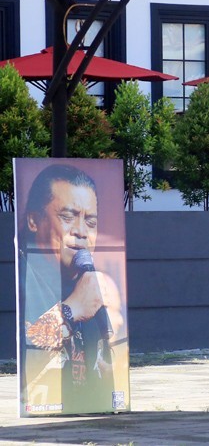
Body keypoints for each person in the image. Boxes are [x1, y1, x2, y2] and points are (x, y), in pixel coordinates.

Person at [18, 163, 123, 414]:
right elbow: (25, 360)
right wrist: (70, 310)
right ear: (33, 220)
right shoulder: (22, 278)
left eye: (90, 221)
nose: (81, 232)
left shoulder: (91, 283)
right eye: (67, 217)